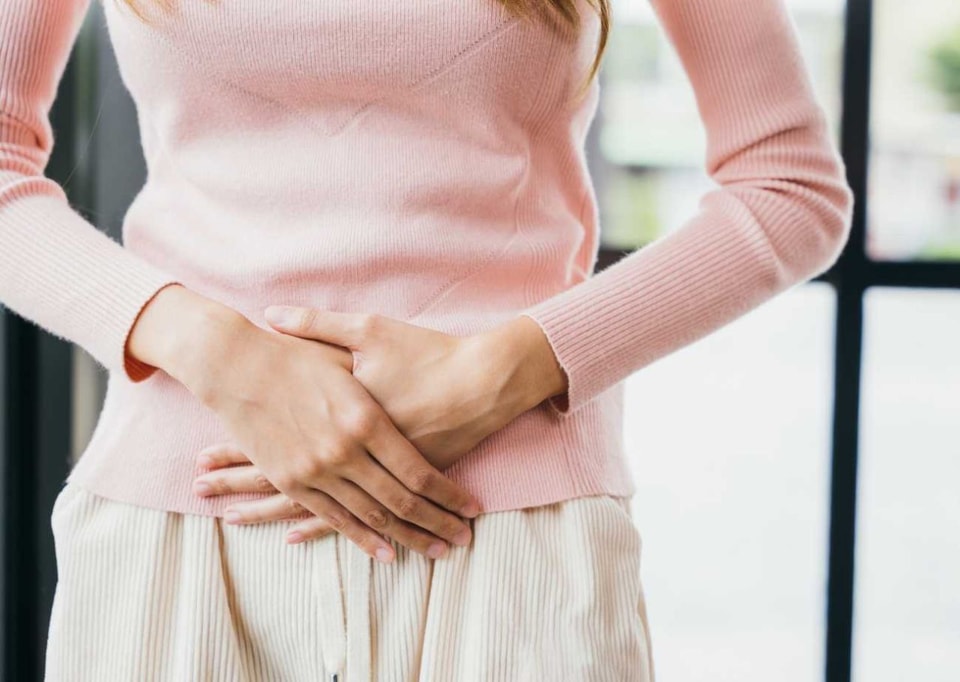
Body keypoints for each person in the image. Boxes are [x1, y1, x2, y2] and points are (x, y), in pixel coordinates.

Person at [0, 0, 853, 679]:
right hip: (181, 523)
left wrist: (505, 370)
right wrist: (220, 352)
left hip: (512, 530)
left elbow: (788, 186)